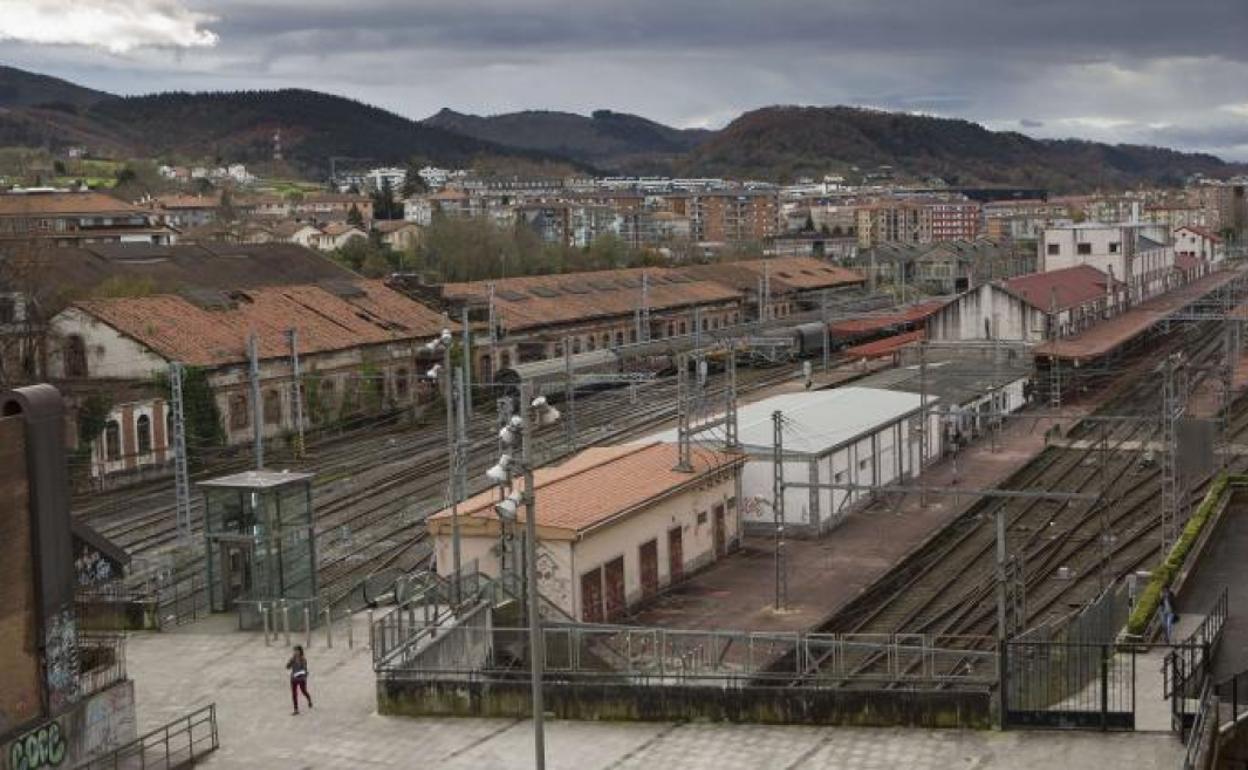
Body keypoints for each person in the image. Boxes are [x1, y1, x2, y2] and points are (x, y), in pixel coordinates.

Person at [286, 645, 312, 715]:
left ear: (300, 651)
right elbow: (287, 667)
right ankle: (296, 709)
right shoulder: (292, 659)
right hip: (294, 678)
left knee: (303, 691)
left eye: (297, 651)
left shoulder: (303, 659)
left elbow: (304, 669)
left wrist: (303, 674)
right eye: (294, 651)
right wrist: (289, 662)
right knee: (294, 694)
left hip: (301, 678)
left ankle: (309, 700)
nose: (295, 652)